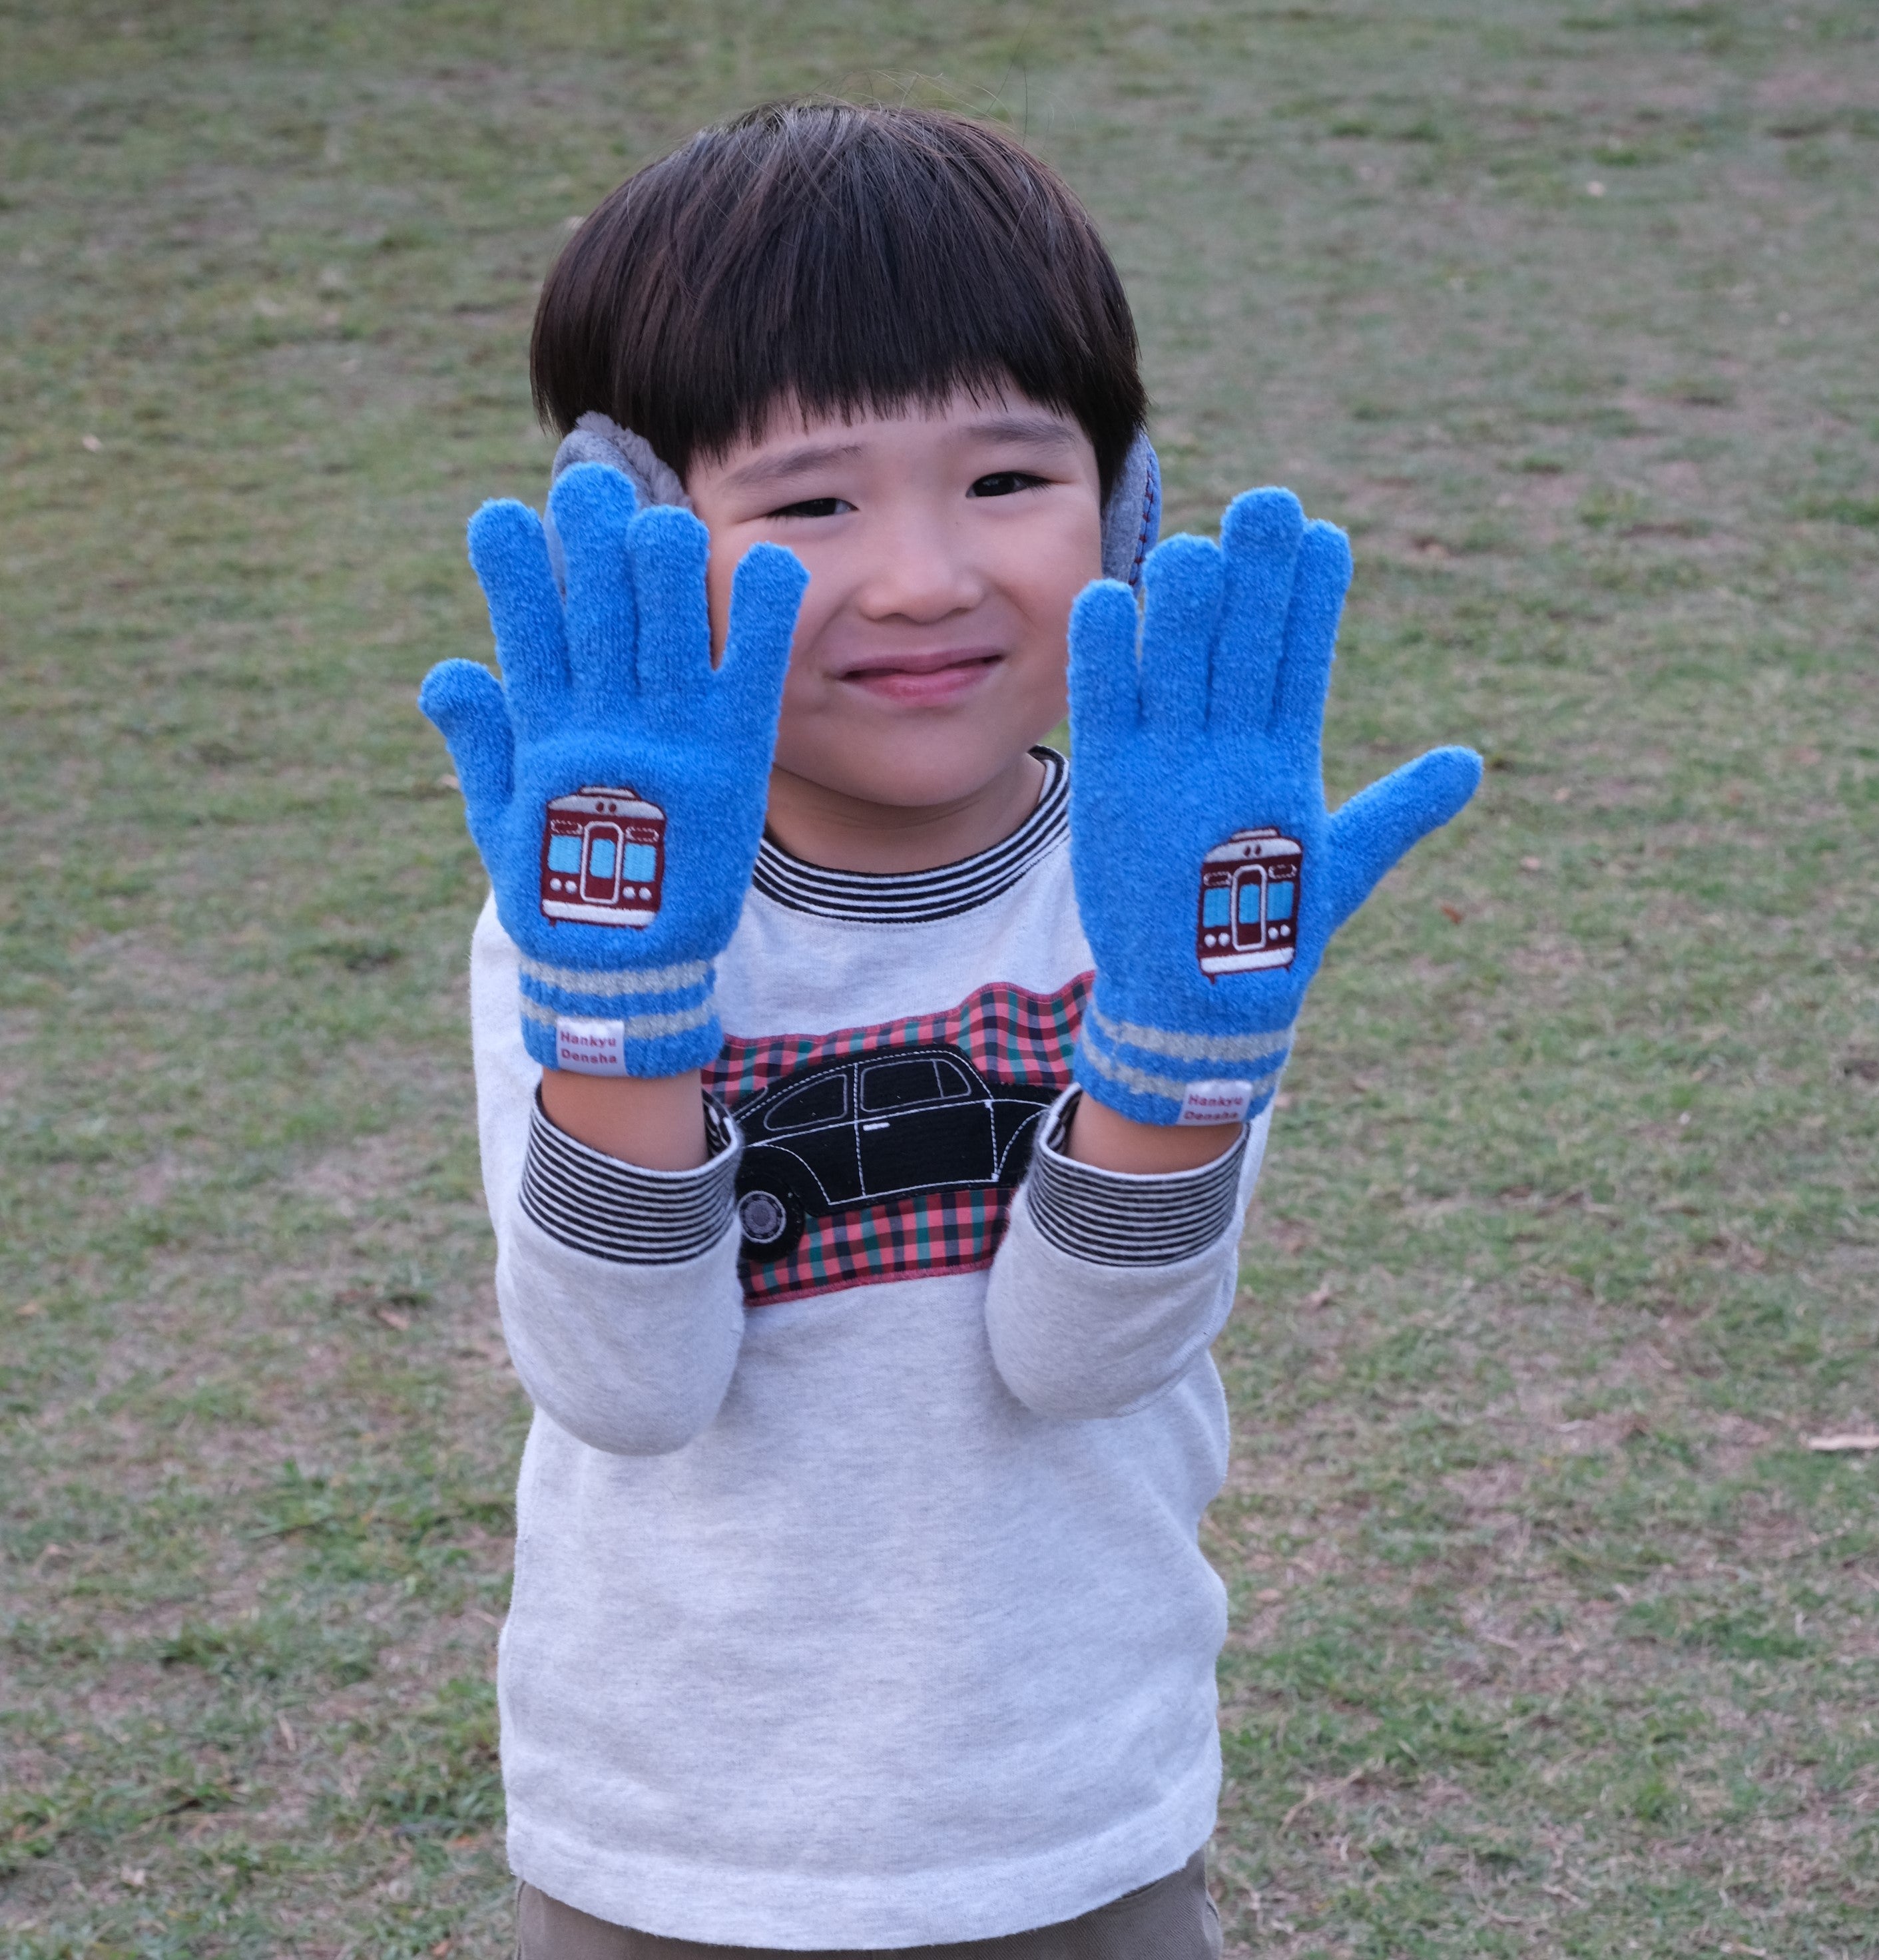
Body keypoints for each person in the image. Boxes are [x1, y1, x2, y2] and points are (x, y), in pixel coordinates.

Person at [419, 99, 1479, 1960]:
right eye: (812, 502)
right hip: (672, 1838)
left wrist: (1182, 1061)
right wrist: (625, 1025)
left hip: (1073, 1805)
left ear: (1125, 503)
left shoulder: (1160, 892)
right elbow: (627, 1388)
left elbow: (1084, 1358)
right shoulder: (585, 916)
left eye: (1006, 482)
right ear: (647, 540)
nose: (922, 578)